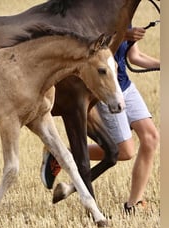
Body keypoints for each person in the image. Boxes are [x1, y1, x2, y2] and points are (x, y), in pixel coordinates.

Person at [40, 26, 160, 214]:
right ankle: (63, 154)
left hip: (125, 87)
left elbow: (135, 57)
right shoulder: (99, 14)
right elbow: (90, 46)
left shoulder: (125, 18)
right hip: (105, 90)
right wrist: (122, 35)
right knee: (125, 152)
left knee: (151, 138)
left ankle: (133, 204)